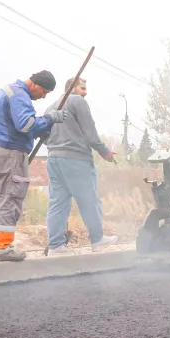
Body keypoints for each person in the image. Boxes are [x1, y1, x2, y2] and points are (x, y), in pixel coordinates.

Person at [0, 70, 68, 263]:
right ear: (34, 84)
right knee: (9, 199)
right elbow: (26, 124)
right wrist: (50, 119)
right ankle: (0, 249)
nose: (43, 97)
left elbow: (18, 126)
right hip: (8, 153)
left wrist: (40, 129)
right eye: (44, 92)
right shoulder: (20, 95)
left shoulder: (6, 91)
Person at [44, 77, 119, 255]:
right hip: (76, 160)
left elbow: (44, 136)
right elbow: (90, 132)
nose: (85, 92)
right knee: (89, 200)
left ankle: (55, 246)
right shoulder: (77, 102)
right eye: (83, 88)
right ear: (71, 88)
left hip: (53, 160)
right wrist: (105, 152)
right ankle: (97, 240)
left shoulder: (50, 107)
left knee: (57, 204)